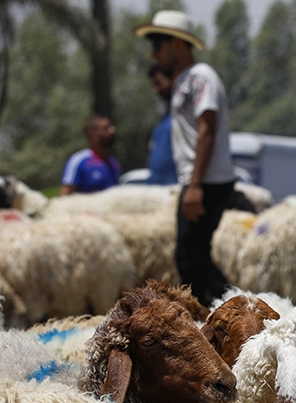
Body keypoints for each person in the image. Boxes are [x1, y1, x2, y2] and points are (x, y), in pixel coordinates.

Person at [134, 10, 236, 307]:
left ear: (177, 44)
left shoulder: (200, 77)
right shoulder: (182, 81)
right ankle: (222, 311)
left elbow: (207, 128)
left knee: (192, 258)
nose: (154, 53)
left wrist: (194, 186)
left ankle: (236, 309)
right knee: (189, 258)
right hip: (197, 180)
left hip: (207, 180)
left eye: (158, 44)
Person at [60, 115, 121, 196]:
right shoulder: (78, 161)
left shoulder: (113, 163)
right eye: (106, 128)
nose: (112, 130)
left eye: (111, 126)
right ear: (92, 134)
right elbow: (65, 196)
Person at [145, 64, 179, 185]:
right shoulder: (164, 120)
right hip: (158, 192)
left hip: (176, 190)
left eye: (159, 83)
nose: (157, 90)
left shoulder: (185, 116)